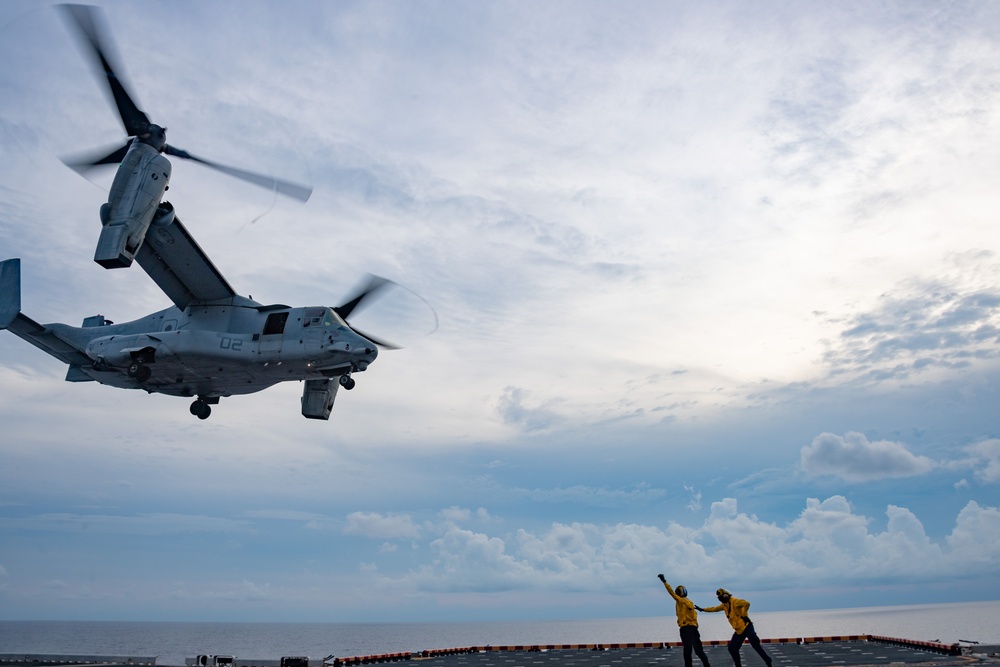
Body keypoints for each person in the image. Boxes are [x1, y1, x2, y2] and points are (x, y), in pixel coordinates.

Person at [698, 588, 772, 667]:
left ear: (726, 596)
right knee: (732, 648)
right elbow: (714, 609)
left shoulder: (735, 601)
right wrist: (702, 609)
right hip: (739, 630)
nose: (721, 600)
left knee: (756, 646)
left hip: (746, 626)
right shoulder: (724, 605)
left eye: (721, 598)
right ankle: (738, 665)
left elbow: (746, 603)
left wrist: (744, 615)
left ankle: (768, 662)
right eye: (720, 598)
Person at [658, 573, 711, 667]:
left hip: (685, 629)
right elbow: (694, 616)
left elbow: (671, 592)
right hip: (693, 628)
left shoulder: (680, 601)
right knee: (699, 651)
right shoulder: (690, 602)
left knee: (687, 651)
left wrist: (664, 581)